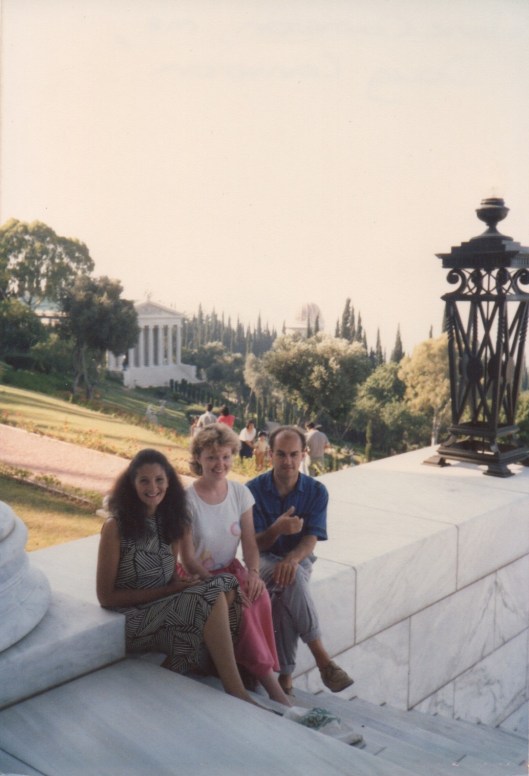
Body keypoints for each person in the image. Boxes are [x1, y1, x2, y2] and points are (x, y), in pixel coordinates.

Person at [96, 448, 257, 705]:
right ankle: (236, 691)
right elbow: (106, 597)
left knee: (225, 583)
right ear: (132, 484)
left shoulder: (168, 522)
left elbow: (169, 579)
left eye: (159, 480)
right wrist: (171, 591)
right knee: (209, 598)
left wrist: (181, 585)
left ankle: (196, 660)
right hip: (131, 619)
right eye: (144, 481)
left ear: (169, 482)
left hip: (162, 609)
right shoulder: (116, 527)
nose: (153, 487)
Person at [180, 425, 292, 706]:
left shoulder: (240, 493)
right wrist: (219, 582)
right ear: (198, 458)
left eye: (226, 457)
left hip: (232, 568)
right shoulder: (186, 500)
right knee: (240, 606)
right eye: (212, 457)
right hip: (199, 576)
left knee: (260, 596)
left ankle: (256, 673)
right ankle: (273, 689)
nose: (220, 464)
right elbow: (187, 558)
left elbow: (250, 542)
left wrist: (253, 573)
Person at [247, 426, 354, 696]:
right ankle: (321, 659)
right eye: (281, 454)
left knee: (288, 584)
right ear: (270, 454)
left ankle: (285, 677)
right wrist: (277, 530)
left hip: (299, 558)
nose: (288, 461)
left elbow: (311, 540)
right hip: (264, 559)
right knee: (289, 577)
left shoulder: (317, 491)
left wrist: (292, 559)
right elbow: (254, 544)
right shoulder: (253, 491)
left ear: (304, 454)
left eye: (294, 454)